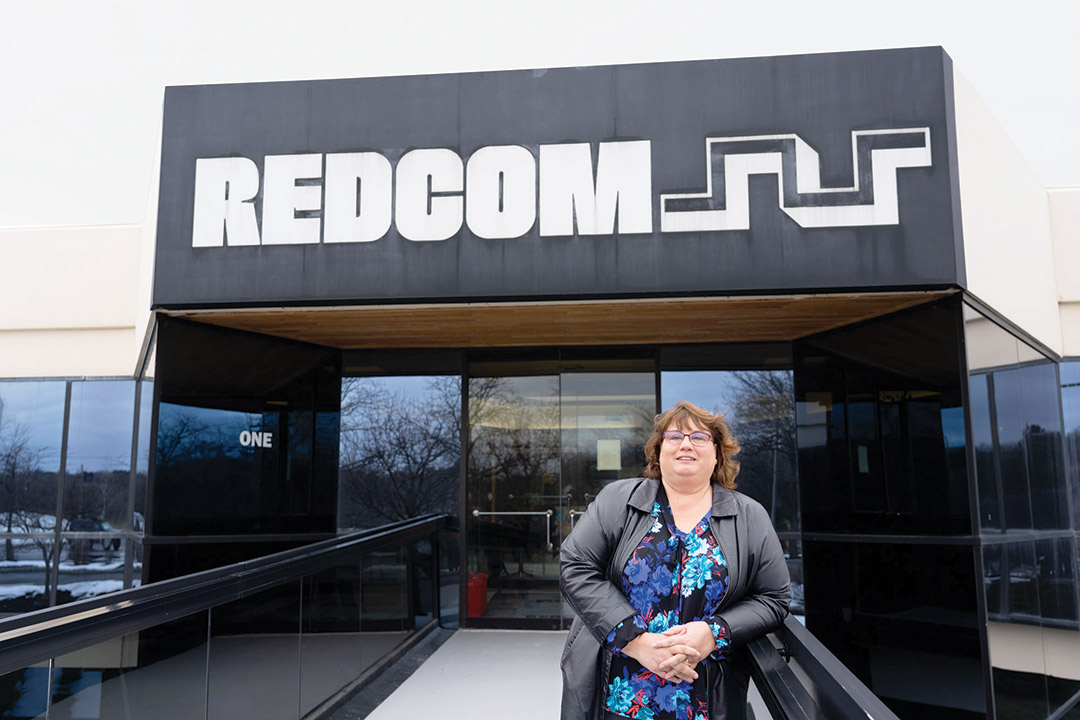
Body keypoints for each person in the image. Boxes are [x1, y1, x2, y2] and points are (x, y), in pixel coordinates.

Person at [560, 400, 791, 720]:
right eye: (674, 437)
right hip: (622, 692)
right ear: (658, 451)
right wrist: (634, 641)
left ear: (717, 454)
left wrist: (714, 633)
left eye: (699, 437)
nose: (686, 444)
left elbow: (774, 599)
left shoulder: (749, 516)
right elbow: (576, 565)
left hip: (707, 696)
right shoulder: (618, 500)